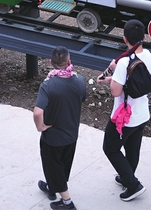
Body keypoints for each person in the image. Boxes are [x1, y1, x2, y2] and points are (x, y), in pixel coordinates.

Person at [96, 20, 151, 201]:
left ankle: (133, 185)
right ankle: (127, 175)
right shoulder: (148, 56)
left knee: (110, 148)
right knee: (132, 148)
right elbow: (134, 79)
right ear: (143, 37)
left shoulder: (123, 62)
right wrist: (113, 77)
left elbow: (116, 91)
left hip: (125, 117)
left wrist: (113, 73)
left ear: (124, 39)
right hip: (142, 112)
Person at [34, 46, 87, 209]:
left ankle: (67, 202)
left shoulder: (48, 85)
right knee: (63, 165)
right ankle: (52, 187)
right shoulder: (79, 80)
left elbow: (37, 113)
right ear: (69, 61)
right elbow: (82, 99)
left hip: (53, 137)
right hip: (71, 134)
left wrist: (41, 127)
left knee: (53, 166)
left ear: (51, 63)